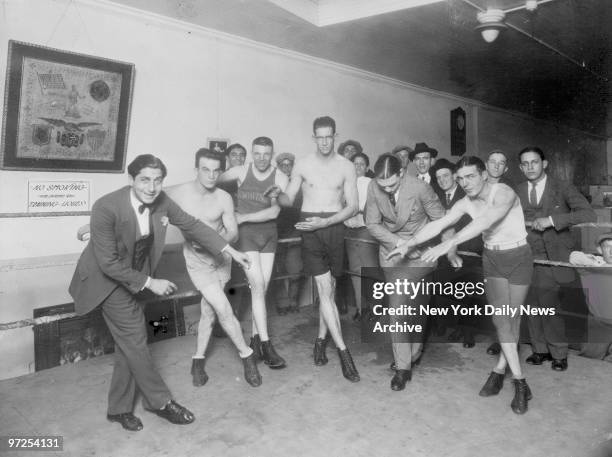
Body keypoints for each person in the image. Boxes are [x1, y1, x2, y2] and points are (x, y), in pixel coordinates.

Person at [68, 154, 251, 431]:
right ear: (131, 180)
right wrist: (150, 282)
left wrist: (231, 251)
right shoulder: (106, 207)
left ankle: (118, 409)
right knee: (135, 337)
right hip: (105, 280)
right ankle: (160, 402)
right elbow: (108, 264)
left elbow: (193, 225)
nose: (151, 187)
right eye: (144, 180)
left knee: (128, 345)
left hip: (132, 275)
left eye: (157, 180)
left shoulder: (161, 201)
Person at [388, 156, 534, 414]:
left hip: (519, 258)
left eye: (471, 176)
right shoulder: (465, 202)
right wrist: (409, 243)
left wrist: (449, 244)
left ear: (484, 175)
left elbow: (484, 222)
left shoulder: (504, 193)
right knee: (503, 321)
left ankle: (499, 371)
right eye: (461, 178)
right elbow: (438, 223)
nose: (465, 183)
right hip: (494, 260)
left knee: (513, 319)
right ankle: (520, 383)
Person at [269, 115, 360, 382]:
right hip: (310, 226)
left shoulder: (346, 166)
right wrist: (277, 193)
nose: (324, 141)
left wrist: (327, 221)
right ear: (313, 137)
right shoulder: (303, 164)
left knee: (329, 291)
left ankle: (320, 340)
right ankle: (344, 353)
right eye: (319, 136)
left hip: (334, 225)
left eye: (328, 136)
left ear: (335, 136)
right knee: (324, 289)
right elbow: (289, 199)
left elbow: (353, 206)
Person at [166, 148, 261, 388]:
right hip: (197, 262)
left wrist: (218, 244)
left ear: (220, 172)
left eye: (215, 170)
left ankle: (197, 360)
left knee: (209, 311)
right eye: (205, 169)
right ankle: (246, 355)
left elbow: (232, 231)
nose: (210, 175)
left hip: (221, 259)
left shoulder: (223, 198)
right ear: (196, 169)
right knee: (223, 308)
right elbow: (142, 201)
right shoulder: (178, 194)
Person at [365, 153, 448, 391]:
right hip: (393, 256)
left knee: (417, 309)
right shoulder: (374, 186)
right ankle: (403, 368)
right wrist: (399, 245)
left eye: (391, 185)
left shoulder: (420, 187)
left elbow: (440, 220)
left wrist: (418, 245)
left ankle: (413, 353)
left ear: (401, 173)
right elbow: (372, 223)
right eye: (383, 186)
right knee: (399, 309)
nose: (387, 190)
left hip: (421, 255)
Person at [517, 146, 596, 372]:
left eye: (534, 162)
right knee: (531, 304)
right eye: (525, 164)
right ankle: (540, 350)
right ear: (521, 167)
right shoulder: (518, 189)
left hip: (552, 257)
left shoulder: (562, 187)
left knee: (548, 304)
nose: (530, 167)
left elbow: (588, 214)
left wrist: (552, 220)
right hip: (526, 255)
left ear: (545, 163)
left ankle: (559, 353)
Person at [219, 136, 289, 369]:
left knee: (262, 289)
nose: (261, 158)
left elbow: (274, 213)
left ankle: (254, 340)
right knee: (257, 286)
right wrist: (224, 213)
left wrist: (243, 217)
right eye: (257, 153)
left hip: (269, 235)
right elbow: (211, 180)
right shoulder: (239, 171)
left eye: (266, 154)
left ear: (271, 154)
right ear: (251, 153)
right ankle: (267, 346)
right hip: (247, 236)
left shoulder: (279, 177)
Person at [431, 158, 483, 348]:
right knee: (448, 292)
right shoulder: (435, 194)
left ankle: (468, 333)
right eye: (438, 177)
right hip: (444, 250)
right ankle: (453, 326)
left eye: (446, 175)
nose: (443, 180)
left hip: (467, 250)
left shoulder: (467, 193)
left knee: (468, 293)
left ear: (454, 176)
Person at [344, 151, 378, 321]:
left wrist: (356, 210)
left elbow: (373, 208)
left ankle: (374, 309)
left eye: (361, 164)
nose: (358, 167)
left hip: (366, 231)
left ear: (367, 167)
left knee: (370, 271)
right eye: (355, 164)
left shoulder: (371, 184)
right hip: (349, 232)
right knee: (355, 271)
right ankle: (360, 307)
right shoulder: (345, 183)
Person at [484, 149, 512, 356]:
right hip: (479, 249)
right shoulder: (476, 187)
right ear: (486, 164)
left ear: (506, 168)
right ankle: (496, 337)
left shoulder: (509, 190)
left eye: (500, 163)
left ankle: (505, 341)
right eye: (492, 161)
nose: (496, 166)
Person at [274, 152, 304, 314]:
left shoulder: (298, 187)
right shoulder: (273, 185)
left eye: (289, 165)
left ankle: (293, 301)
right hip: (276, 233)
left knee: (295, 271)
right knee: (278, 271)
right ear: (278, 167)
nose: (286, 168)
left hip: (294, 232)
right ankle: (282, 304)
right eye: (282, 165)